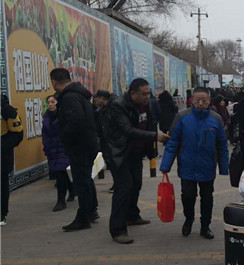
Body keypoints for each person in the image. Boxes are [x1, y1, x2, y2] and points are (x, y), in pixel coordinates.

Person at [103, 78, 169, 244]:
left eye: (149, 93)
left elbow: (150, 124)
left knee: (136, 184)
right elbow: (128, 130)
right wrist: (155, 136)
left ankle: (132, 215)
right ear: (133, 93)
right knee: (124, 188)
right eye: (144, 94)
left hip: (136, 153)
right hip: (120, 153)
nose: (147, 97)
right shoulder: (118, 106)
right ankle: (117, 229)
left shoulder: (147, 104)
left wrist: (152, 150)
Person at [161, 88, 229, 239]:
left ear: (209, 101)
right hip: (187, 166)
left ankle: (205, 226)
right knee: (187, 196)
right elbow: (172, 143)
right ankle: (189, 219)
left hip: (207, 167)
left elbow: (222, 145)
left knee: (207, 198)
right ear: (192, 100)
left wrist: (224, 167)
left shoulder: (216, 119)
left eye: (204, 100)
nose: (200, 103)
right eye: (197, 100)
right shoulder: (182, 117)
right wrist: (165, 165)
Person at [50, 68, 99, 231]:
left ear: (54, 82)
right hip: (88, 143)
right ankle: (91, 211)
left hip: (80, 146)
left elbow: (75, 121)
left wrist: (65, 138)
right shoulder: (80, 94)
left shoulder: (69, 97)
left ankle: (83, 218)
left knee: (81, 182)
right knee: (86, 179)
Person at [42, 95, 76, 211]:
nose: (50, 104)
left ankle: (61, 201)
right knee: (60, 172)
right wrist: (46, 147)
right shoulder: (46, 117)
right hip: (52, 149)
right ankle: (71, 189)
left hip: (63, 148)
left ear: (58, 103)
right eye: (48, 102)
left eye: (53, 102)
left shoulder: (64, 116)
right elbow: (45, 134)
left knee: (60, 173)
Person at [1, 94, 23, 226]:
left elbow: (18, 134)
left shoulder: (6, 109)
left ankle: (2, 213)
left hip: (2, 157)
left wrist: (2, 147)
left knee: (1, 185)